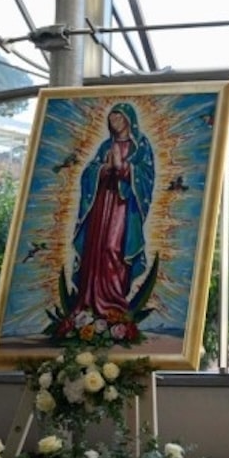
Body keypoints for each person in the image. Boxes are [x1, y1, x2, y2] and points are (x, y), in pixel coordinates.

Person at [71, 102, 156, 321]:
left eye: (118, 117)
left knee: (113, 248)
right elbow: (88, 172)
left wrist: (124, 168)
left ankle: (114, 303)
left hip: (123, 207)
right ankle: (91, 304)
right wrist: (104, 169)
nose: (114, 122)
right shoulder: (105, 146)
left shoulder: (141, 146)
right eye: (111, 119)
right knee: (96, 249)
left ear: (129, 120)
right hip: (102, 205)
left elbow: (147, 176)